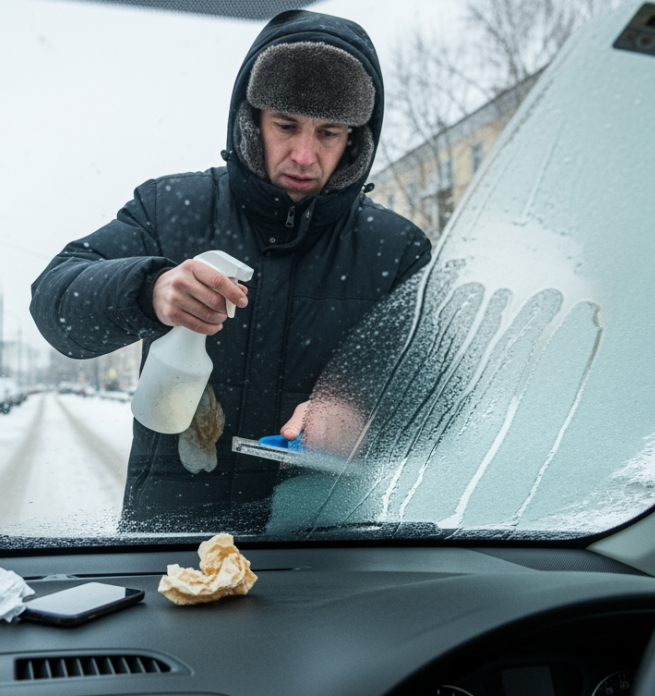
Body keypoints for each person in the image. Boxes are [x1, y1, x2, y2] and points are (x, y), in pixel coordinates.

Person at [30, 9, 431, 532]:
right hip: (172, 545)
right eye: (286, 126)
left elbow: (444, 395)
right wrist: (149, 289)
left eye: (329, 133)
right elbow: (54, 304)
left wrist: (365, 416)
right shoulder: (170, 208)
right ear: (251, 121)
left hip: (327, 549)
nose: (304, 155)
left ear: (355, 141)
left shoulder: (396, 250)